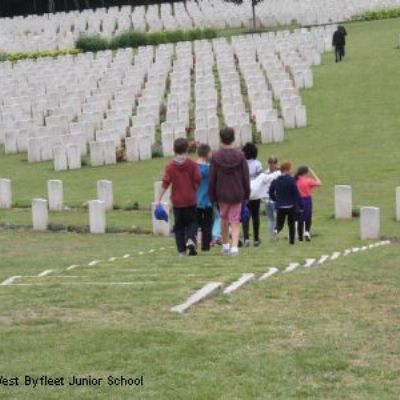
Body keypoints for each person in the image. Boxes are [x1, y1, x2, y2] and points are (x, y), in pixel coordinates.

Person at [209, 128, 250, 257]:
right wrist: (247, 194)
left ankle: (226, 245)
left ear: (221, 139)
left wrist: (212, 195)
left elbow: (212, 178)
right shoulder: (240, 156)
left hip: (222, 192)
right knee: (235, 220)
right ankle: (234, 247)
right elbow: (245, 176)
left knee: (224, 218)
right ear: (233, 138)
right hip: (237, 192)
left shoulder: (216, 157)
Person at [158, 138, 201, 256]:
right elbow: (197, 178)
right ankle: (191, 239)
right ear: (186, 149)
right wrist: (194, 188)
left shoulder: (170, 166)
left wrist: (158, 199)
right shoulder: (192, 164)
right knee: (192, 222)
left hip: (177, 201)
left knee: (179, 226)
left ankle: (181, 250)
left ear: (174, 150)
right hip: (191, 199)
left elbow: (165, 183)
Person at [269, 161, 303, 245]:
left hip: (280, 206)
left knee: (280, 224)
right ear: (287, 170)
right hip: (291, 206)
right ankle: (291, 242)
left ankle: (276, 230)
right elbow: (296, 193)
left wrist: (275, 199)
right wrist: (300, 205)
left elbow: (270, 192)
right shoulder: (291, 180)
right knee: (291, 224)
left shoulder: (276, 180)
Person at [250, 156, 281, 240]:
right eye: (271, 163)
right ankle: (273, 236)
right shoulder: (278, 174)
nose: (272, 165)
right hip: (272, 198)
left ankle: (272, 236)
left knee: (272, 219)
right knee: (274, 218)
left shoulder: (265, 173)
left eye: (273, 163)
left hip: (267, 198)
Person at [242, 142, 263, 247]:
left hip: (245, 192)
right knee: (255, 216)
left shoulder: (242, 164)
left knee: (245, 215)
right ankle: (256, 238)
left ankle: (246, 238)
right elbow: (260, 177)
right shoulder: (257, 164)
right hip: (256, 192)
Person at [294, 166, 321, 242]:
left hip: (298, 200)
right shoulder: (308, 181)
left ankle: (300, 236)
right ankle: (306, 231)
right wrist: (313, 173)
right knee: (308, 217)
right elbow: (319, 183)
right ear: (305, 173)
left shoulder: (295, 181)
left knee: (300, 218)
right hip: (307, 200)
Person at [196, 144, 214, 252]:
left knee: (195, 223)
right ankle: (206, 245)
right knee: (207, 224)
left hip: (195, 199)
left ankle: (192, 242)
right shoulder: (210, 168)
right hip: (207, 200)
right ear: (207, 154)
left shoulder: (194, 167)